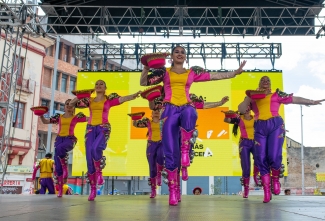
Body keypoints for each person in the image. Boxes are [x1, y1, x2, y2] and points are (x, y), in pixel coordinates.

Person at [140, 45, 246, 206]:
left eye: (183, 52)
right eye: (177, 52)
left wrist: (235, 73)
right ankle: (173, 192)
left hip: (185, 106)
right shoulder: (164, 72)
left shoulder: (192, 73)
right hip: (169, 109)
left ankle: (185, 150)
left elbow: (214, 76)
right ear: (171, 57)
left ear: (186, 57)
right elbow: (143, 82)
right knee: (169, 152)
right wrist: (146, 66)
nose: (180, 54)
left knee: (191, 113)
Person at [238, 76, 325, 203]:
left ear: (270, 84)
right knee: (260, 158)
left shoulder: (276, 95)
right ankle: (267, 191)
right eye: (263, 80)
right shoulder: (253, 98)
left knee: (274, 156)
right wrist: (250, 96)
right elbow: (241, 109)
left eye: (268, 80)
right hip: (260, 128)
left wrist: (311, 101)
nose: (265, 81)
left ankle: (275, 179)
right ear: (259, 83)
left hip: (276, 125)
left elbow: (294, 99)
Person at [69, 79, 141, 201]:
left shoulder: (109, 100)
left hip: (103, 127)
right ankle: (93, 189)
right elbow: (71, 104)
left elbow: (122, 99)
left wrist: (133, 96)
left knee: (96, 148)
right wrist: (81, 95)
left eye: (101, 84)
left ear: (105, 88)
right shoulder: (89, 100)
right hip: (90, 128)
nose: (98, 86)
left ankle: (99, 171)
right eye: (96, 84)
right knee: (89, 158)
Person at [39, 99, 87, 197]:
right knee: (57, 162)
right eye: (67, 104)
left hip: (69, 140)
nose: (69, 106)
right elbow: (45, 121)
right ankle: (60, 189)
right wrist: (40, 114)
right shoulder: (59, 117)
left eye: (71, 105)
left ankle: (65, 167)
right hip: (59, 139)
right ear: (64, 106)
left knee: (60, 149)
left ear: (74, 107)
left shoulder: (76, 117)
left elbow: (90, 119)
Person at [224, 109, 260, 199]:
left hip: (255, 142)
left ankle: (256, 176)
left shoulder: (256, 118)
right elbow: (227, 121)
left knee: (259, 159)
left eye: (249, 108)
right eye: (246, 109)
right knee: (246, 166)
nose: (247, 110)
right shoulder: (239, 118)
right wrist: (227, 115)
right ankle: (246, 190)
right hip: (244, 143)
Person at [132, 109, 164, 199]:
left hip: (161, 143)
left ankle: (160, 173)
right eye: (155, 111)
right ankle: (153, 190)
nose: (157, 112)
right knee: (152, 166)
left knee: (161, 156)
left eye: (158, 111)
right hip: (151, 144)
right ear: (152, 114)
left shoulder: (164, 121)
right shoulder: (148, 122)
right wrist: (134, 118)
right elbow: (136, 125)